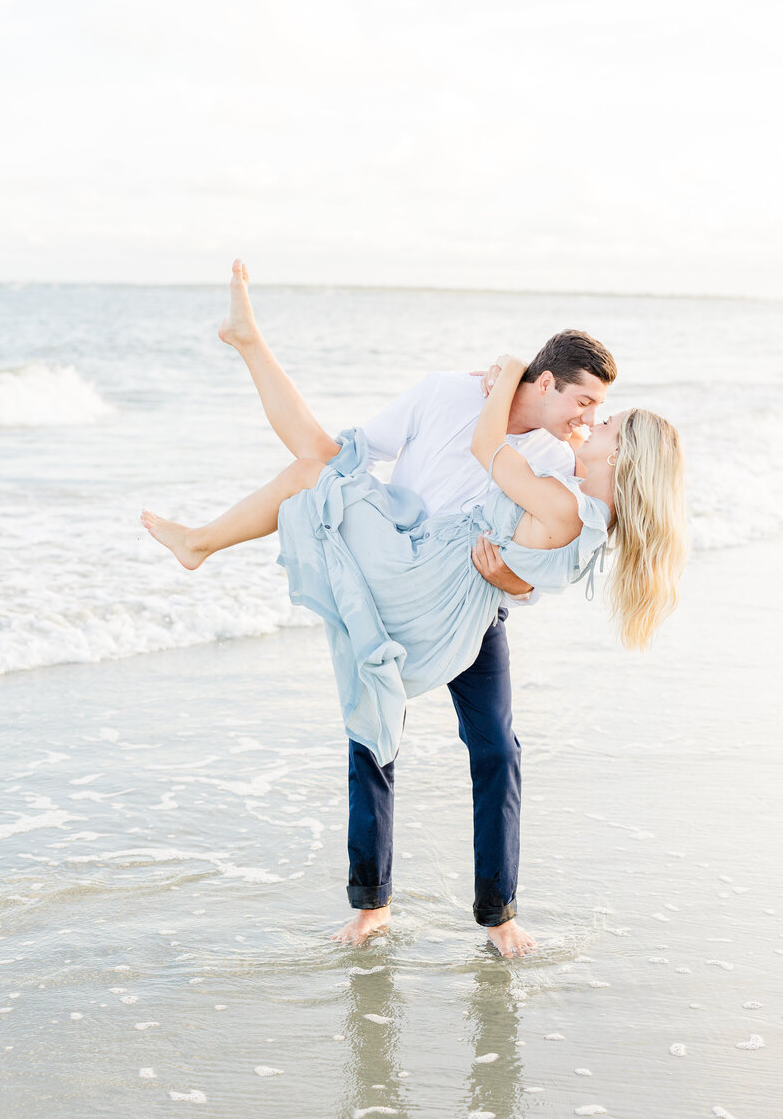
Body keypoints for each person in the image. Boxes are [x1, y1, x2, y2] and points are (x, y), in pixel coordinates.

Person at [141, 261, 687, 956]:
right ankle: (371, 904)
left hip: (464, 598)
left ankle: (500, 912)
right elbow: (383, 452)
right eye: (586, 404)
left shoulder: (560, 460)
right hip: (408, 562)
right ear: (548, 384)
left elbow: (534, 561)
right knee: (371, 720)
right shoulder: (452, 398)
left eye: (599, 417)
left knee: (494, 747)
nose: (589, 421)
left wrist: (512, 579)